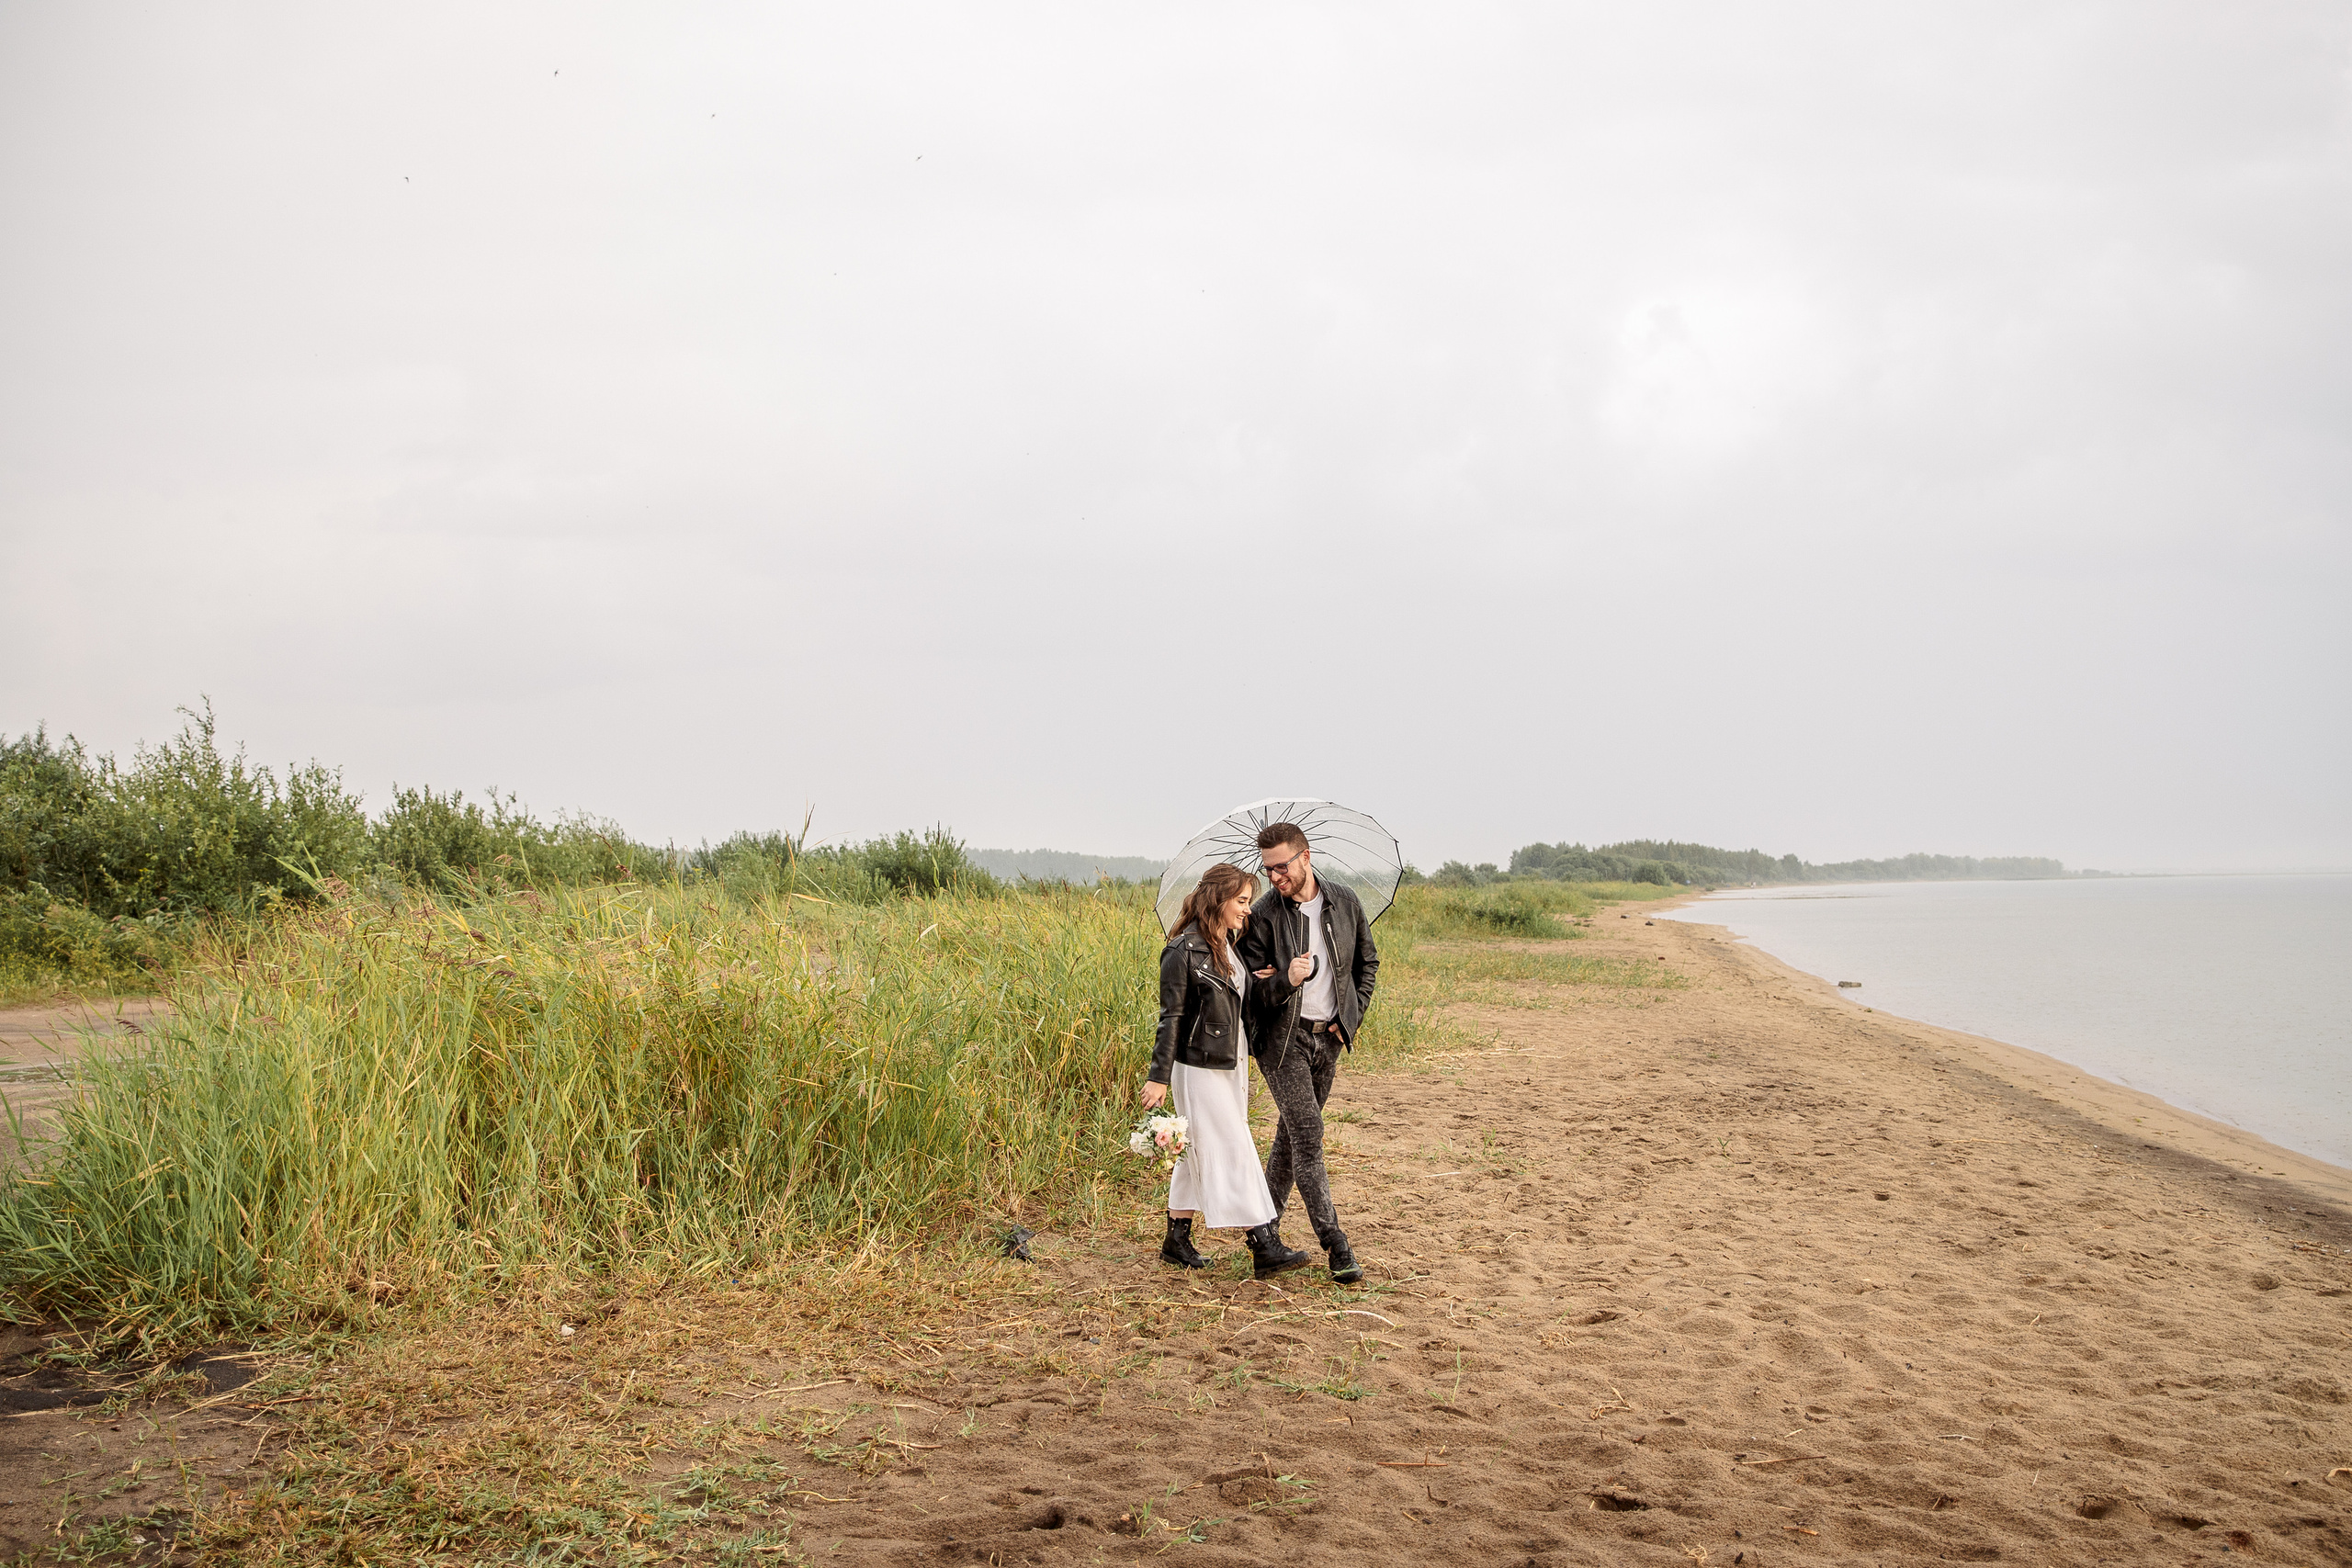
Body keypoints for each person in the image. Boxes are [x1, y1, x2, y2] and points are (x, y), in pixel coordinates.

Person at [1144, 862, 1312, 1276]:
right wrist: (1158, 1076)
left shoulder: (1226, 947)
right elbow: (1172, 1017)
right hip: (1198, 1067)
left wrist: (1275, 980)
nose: (1247, 910)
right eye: (1241, 901)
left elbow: (1239, 1005)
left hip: (1230, 1063)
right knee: (1235, 1146)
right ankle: (1263, 1243)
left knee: (1196, 1149)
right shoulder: (1183, 949)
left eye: (1249, 902)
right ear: (1217, 900)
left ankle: (1176, 1238)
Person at [1236, 821, 1379, 1284]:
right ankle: (1335, 1243)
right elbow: (1250, 994)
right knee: (1309, 1132)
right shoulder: (1262, 917)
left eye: (1282, 867)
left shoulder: (1346, 902)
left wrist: (1349, 1019)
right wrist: (1286, 980)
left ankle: (1265, 1234)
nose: (1275, 877)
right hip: (1282, 1041)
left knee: (1290, 1137)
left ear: (1306, 856)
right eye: (1267, 869)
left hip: (1329, 1039)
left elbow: (1367, 964)